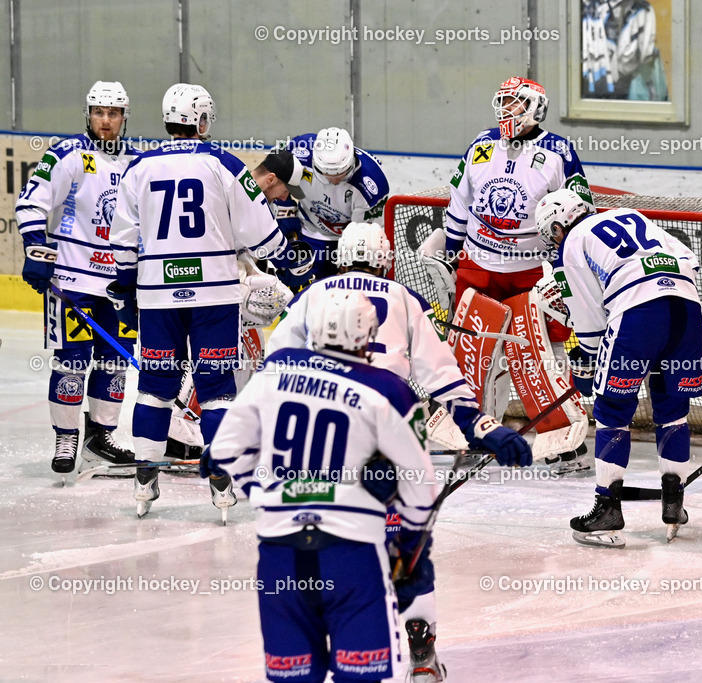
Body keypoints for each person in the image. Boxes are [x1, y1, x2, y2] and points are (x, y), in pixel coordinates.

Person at [266, 221, 530, 681]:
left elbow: (275, 364)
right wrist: (484, 426)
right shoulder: (404, 298)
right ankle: (422, 655)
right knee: (407, 551)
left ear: (341, 258)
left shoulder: (313, 293)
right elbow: (444, 379)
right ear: (386, 259)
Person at [207, 291, 439, 683]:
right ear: (369, 335)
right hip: (351, 554)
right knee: (361, 675)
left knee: (293, 677)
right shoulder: (388, 389)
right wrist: (413, 548)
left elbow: (224, 452)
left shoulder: (276, 370)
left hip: (280, 551)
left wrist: (261, 490)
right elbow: (421, 485)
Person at [108, 82, 311, 517]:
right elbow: (263, 235)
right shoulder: (224, 165)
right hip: (215, 294)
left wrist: (126, 289)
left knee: (155, 387)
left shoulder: (138, 168)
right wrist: (286, 255)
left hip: (158, 294)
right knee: (216, 388)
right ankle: (220, 481)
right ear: (201, 120)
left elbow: (122, 239)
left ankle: (145, 478)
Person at [431, 75, 593, 472]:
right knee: (475, 353)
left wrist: (564, 272)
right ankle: (482, 434)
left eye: (514, 104)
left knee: (542, 352)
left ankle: (563, 441)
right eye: (502, 103)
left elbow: (577, 215)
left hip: (531, 270)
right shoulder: (481, 144)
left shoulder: (558, 152)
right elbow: (459, 203)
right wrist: (452, 254)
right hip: (478, 264)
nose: (505, 111)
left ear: (535, 108)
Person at [535, 188, 702, 547]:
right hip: (687, 308)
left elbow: (589, 319)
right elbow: (690, 260)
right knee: (673, 410)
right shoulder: (630, 215)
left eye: (551, 233)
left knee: (612, 409)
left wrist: (586, 357)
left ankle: (608, 508)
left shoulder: (572, 242)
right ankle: (674, 502)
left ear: (557, 227)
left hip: (639, 312)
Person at [16, 81, 140, 479]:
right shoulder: (67, 154)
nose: (106, 120)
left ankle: (100, 436)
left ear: (124, 117)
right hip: (72, 281)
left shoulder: (137, 164)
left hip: (119, 285)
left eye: (114, 113)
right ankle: (66, 436)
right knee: (71, 362)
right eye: (99, 112)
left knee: (114, 362)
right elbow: (33, 199)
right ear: (87, 114)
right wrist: (37, 250)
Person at [275, 128, 390, 282]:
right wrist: (284, 210)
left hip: (345, 238)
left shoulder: (372, 186)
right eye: (327, 175)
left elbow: (363, 235)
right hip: (309, 228)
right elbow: (272, 173)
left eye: (340, 174)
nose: (334, 181)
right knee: (295, 282)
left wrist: (349, 268)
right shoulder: (299, 150)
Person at [581, 0, 669, 101]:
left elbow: (629, 62)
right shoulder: (589, 7)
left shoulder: (640, 10)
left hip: (629, 93)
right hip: (598, 92)